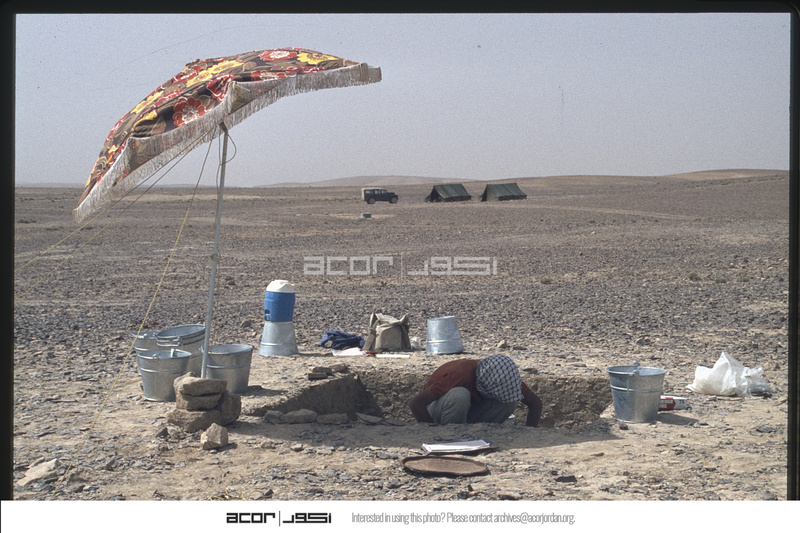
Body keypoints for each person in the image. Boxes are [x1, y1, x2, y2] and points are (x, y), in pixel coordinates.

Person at [408, 354, 542, 426]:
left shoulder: (505, 378)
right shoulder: (459, 374)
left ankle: (479, 433)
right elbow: (416, 403)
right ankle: (451, 433)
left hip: (468, 415)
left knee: (510, 400)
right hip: (439, 413)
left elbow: (535, 403)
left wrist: (530, 432)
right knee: (460, 395)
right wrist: (432, 432)